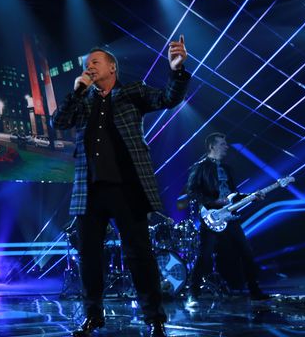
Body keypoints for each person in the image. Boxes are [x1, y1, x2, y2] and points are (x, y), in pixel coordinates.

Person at [52, 36, 190, 337]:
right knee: (89, 256)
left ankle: (155, 318)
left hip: (127, 187)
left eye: (95, 63)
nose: (89, 67)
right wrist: (76, 92)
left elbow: (167, 98)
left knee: (139, 254)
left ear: (112, 68)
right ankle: (93, 316)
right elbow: (59, 121)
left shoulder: (132, 91)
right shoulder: (83, 101)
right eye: (87, 65)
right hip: (89, 190)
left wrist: (177, 72)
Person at [185, 132, 270, 303]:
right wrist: (213, 201)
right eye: (223, 144)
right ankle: (192, 291)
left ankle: (254, 290)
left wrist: (252, 196)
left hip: (230, 216)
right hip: (212, 217)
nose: (227, 147)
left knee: (246, 251)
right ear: (212, 146)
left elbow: (233, 194)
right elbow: (192, 192)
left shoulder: (227, 168)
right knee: (205, 255)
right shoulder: (200, 167)